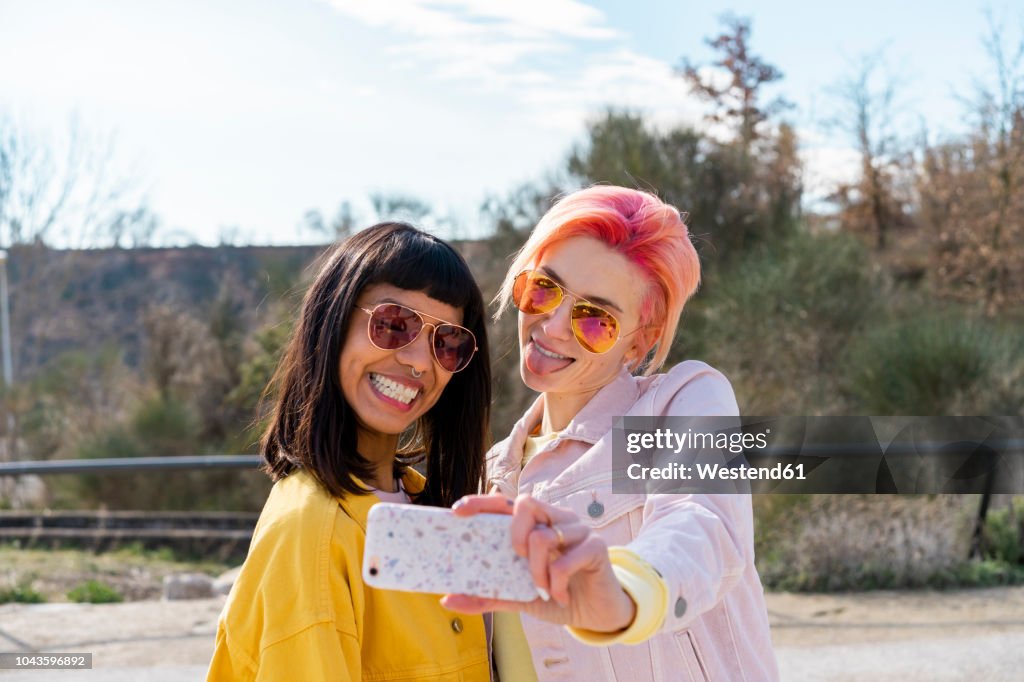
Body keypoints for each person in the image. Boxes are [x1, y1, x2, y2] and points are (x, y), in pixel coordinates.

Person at [444, 186, 779, 680]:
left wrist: (622, 592)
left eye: (595, 319)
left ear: (637, 345)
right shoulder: (489, 476)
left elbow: (703, 523)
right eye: (544, 288)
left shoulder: (682, 403)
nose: (552, 325)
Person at [207, 223, 492, 682]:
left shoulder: (424, 507)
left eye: (447, 343)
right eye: (394, 324)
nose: (420, 361)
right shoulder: (313, 531)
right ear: (333, 321)